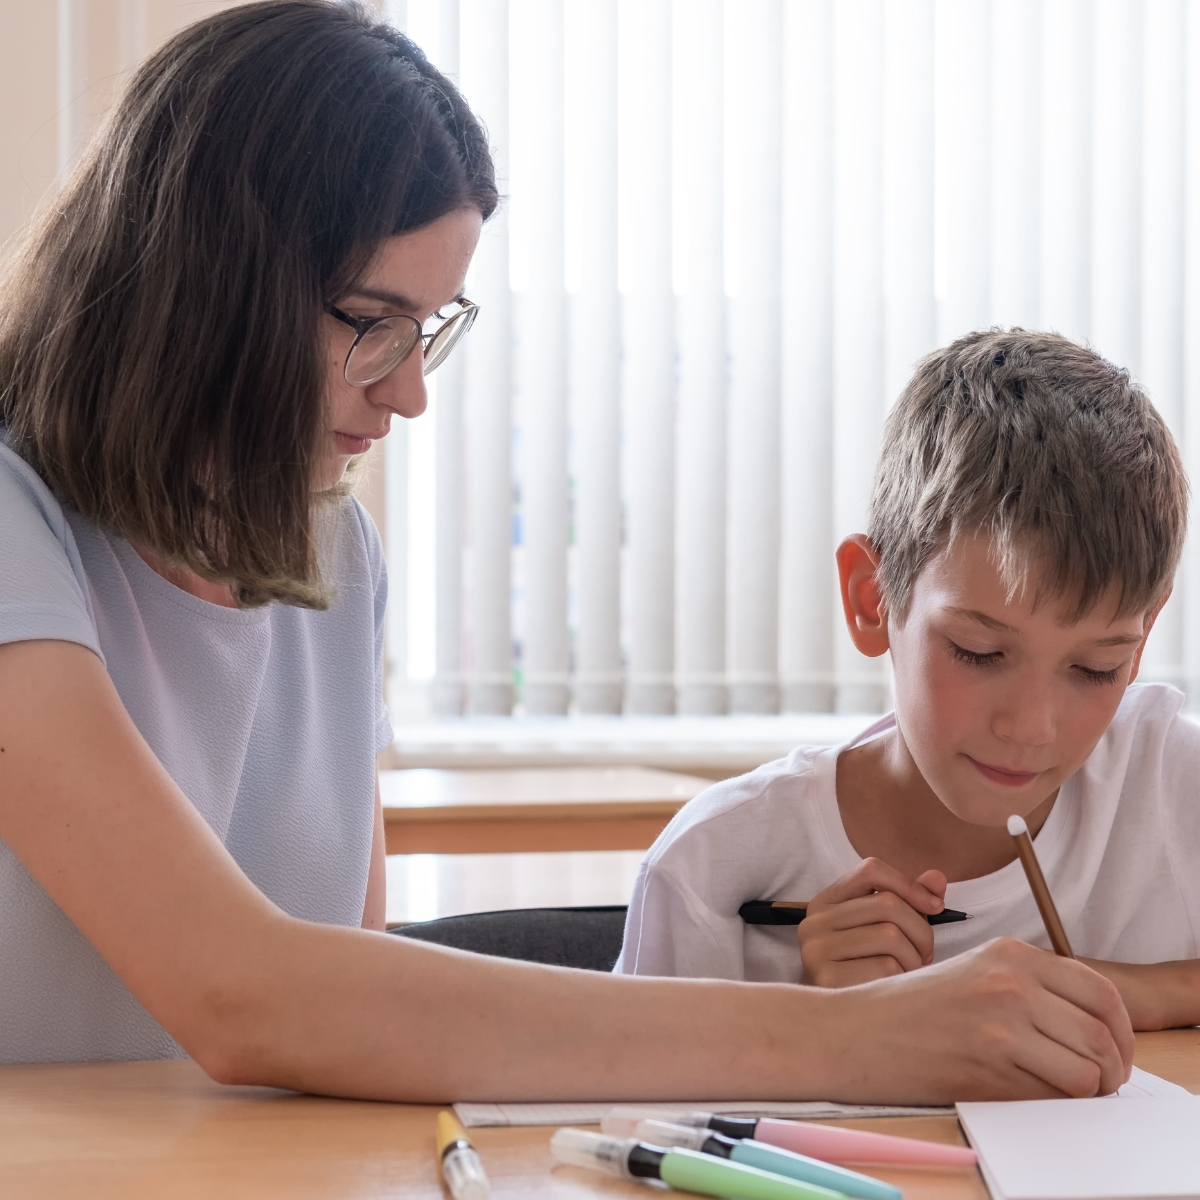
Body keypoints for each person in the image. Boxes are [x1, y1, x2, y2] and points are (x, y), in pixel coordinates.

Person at [0, 1, 1132, 1102]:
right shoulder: (19, 523)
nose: (406, 393)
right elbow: (247, 998)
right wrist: (851, 1038)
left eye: (430, 329)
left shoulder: (331, 549)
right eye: (370, 322)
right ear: (209, 279)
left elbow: (359, 1010)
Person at [616, 330, 1200, 1033]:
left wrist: (1112, 994)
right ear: (874, 600)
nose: (1031, 727)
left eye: (1095, 668)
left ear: (1140, 645)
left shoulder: (1173, 783)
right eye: (979, 652)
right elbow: (635, 1121)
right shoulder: (717, 865)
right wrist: (820, 1026)